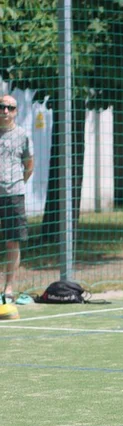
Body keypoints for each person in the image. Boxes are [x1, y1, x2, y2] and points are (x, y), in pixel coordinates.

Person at [0, 94, 34, 300]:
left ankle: (8, 288)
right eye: (2, 106)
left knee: (13, 242)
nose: (5, 111)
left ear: (16, 112)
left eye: (10, 108)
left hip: (14, 195)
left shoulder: (22, 135)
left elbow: (29, 165)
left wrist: (17, 183)